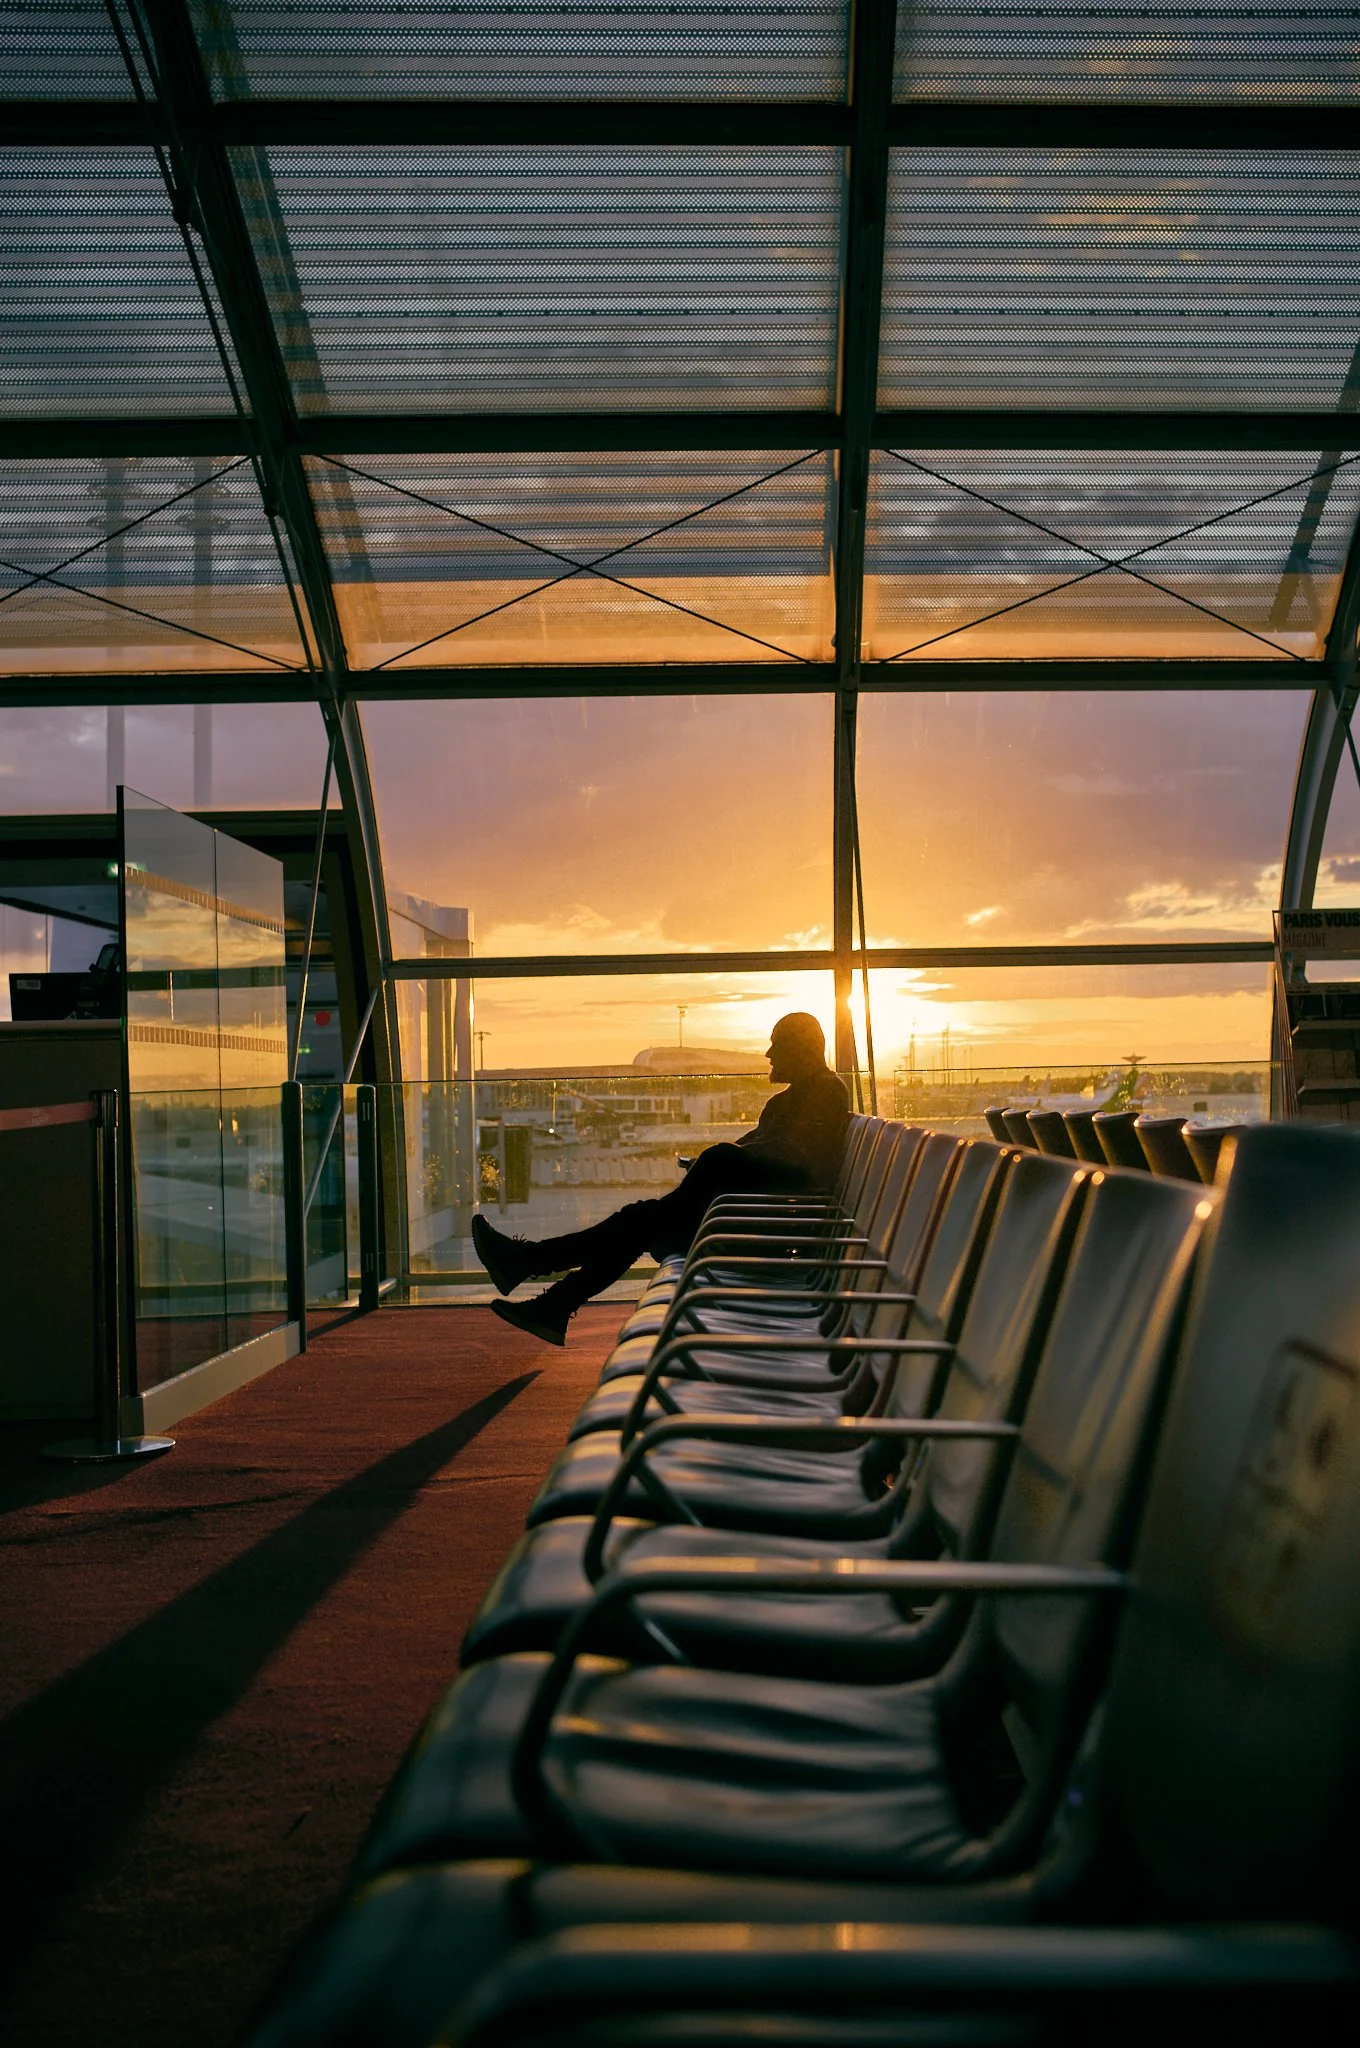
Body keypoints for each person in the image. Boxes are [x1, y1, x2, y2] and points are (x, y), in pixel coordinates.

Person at [471, 1011, 850, 1346]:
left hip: (766, 1226)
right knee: (640, 1221)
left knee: (642, 1218)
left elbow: (802, 1163)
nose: (769, 1054)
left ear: (803, 1049)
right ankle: (545, 1293)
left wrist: (722, 1161)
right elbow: (774, 1156)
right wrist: (720, 1162)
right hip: (748, 1217)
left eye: (777, 1045)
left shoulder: (825, 1092)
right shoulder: (793, 1100)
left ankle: (535, 1274)